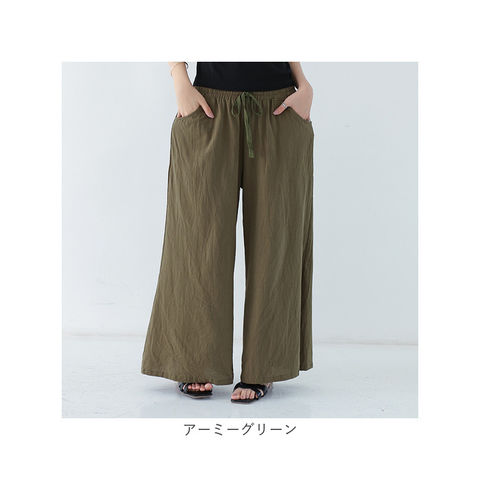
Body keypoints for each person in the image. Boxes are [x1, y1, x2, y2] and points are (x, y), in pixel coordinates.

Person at [141, 62, 314, 403]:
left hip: (279, 109)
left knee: (276, 242)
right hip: (208, 108)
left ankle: (265, 364)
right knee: (197, 241)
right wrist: (180, 80)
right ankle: (194, 360)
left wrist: (304, 85)